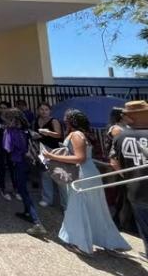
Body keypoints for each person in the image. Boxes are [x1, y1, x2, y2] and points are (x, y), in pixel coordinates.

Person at [44, 109, 130, 255]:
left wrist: (51, 155)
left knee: (77, 208)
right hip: (89, 173)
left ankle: (80, 243)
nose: (64, 121)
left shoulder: (76, 135)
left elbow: (80, 158)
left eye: (66, 119)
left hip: (82, 175)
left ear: (70, 121)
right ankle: (109, 242)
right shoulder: (83, 135)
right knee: (96, 208)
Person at [110, 100, 148, 261]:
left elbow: (114, 162)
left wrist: (130, 178)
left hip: (135, 190)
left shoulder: (120, 137)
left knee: (145, 229)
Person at [3, 108, 46, 237]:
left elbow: (7, 148)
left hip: (19, 161)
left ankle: (36, 221)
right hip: (30, 161)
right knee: (24, 188)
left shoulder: (10, 132)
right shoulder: (26, 130)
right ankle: (27, 212)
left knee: (23, 190)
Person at [33, 102, 66, 208]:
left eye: (46, 109)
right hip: (42, 149)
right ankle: (47, 199)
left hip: (54, 150)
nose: (44, 111)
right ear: (38, 110)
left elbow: (58, 135)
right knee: (45, 174)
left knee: (58, 176)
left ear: (50, 111)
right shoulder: (36, 121)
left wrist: (46, 132)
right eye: (41, 109)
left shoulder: (54, 121)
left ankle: (65, 203)